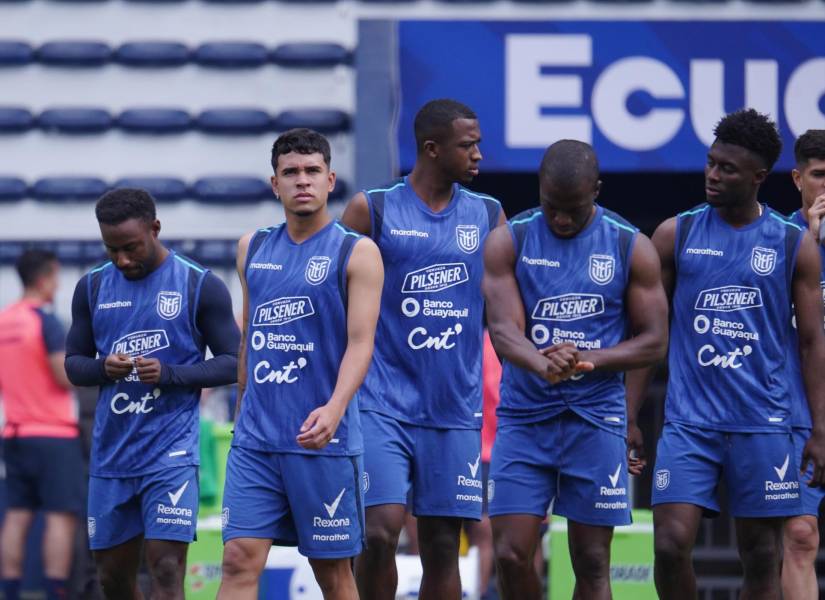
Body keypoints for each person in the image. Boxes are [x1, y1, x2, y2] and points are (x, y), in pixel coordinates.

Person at [627, 109, 825, 599]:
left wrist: (819, 428)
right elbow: (648, 333)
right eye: (711, 164)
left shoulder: (791, 242)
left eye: (728, 169)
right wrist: (628, 417)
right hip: (689, 424)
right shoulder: (678, 234)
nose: (713, 175)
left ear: (759, 177)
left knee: (761, 556)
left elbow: (812, 341)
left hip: (765, 423)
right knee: (671, 547)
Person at [482, 139, 668, 599]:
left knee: (590, 561)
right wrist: (541, 363)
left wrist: (590, 359)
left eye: (573, 210)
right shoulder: (512, 239)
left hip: (596, 420)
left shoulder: (631, 246)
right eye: (552, 208)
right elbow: (503, 331)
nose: (561, 219)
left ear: (596, 192)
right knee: (509, 553)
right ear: (539, 190)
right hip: (526, 419)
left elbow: (654, 340)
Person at [341, 98, 505, 600]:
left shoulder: (489, 214)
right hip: (381, 402)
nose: (478, 153)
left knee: (440, 543)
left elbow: (505, 311)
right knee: (377, 532)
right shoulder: (373, 207)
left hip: (453, 410)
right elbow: (333, 301)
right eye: (467, 144)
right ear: (431, 149)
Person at [217, 128, 383, 600]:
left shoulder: (358, 252)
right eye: (290, 172)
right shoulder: (252, 247)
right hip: (256, 439)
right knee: (237, 559)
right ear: (275, 184)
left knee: (331, 571)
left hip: (322, 439)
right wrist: (241, 408)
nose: (302, 181)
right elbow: (250, 335)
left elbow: (361, 343)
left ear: (331, 180)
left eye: (312, 171)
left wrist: (334, 409)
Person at [64, 188, 240, 599]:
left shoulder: (199, 285)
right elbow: (74, 364)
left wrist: (171, 374)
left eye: (131, 247)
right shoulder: (91, 288)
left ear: (155, 229)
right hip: (112, 456)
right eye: (112, 250)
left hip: (171, 454)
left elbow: (234, 360)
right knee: (112, 580)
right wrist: (101, 368)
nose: (123, 259)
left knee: (165, 568)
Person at [0, 250, 84, 600]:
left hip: (14, 432)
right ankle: (55, 593)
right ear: (45, 277)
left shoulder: (4, 321)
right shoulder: (45, 321)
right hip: (54, 434)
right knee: (60, 517)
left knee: (17, 516)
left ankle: (10, 592)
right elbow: (64, 377)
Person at [782, 129, 825, 600]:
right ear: (798, 178)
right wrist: (810, 248)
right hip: (800, 416)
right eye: (819, 176)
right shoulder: (779, 238)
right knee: (798, 536)